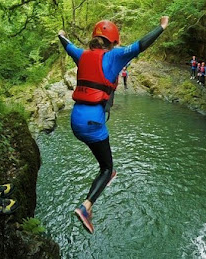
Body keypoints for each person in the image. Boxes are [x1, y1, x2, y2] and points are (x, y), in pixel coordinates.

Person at [58, 16, 169, 234]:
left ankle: (106, 177)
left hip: (75, 120)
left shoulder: (82, 55)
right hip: (92, 122)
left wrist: (61, 36)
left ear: (94, 39)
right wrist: (162, 26)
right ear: (114, 42)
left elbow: (68, 46)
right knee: (107, 168)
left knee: (106, 166)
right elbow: (141, 44)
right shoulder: (115, 56)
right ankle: (86, 207)